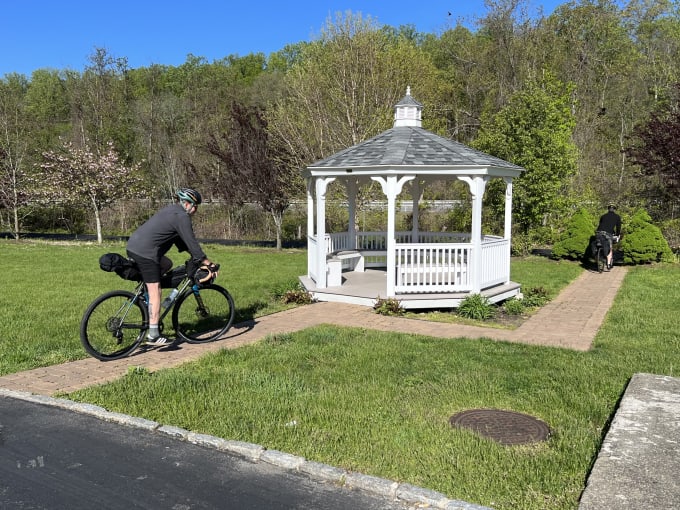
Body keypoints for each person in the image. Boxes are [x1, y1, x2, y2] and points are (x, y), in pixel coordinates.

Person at [127, 188, 217, 345]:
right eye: (195, 206)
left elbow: (180, 240)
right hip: (147, 254)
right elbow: (192, 243)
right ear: (187, 204)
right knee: (156, 290)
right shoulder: (182, 217)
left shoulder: (171, 210)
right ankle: (153, 334)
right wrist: (208, 263)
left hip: (134, 246)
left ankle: (144, 294)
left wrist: (194, 255)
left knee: (167, 264)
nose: (196, 210)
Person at [596, 204, 622, 270]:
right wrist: (617, 234)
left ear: (608, 209)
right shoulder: (617, 217)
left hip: (599, 233)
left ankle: (599, 254)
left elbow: (601, 225)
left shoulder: (603, 216)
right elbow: (618, 227)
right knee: (609, 247)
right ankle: (608, 264)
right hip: (608, 234)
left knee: (599, 243)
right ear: (614, 209)